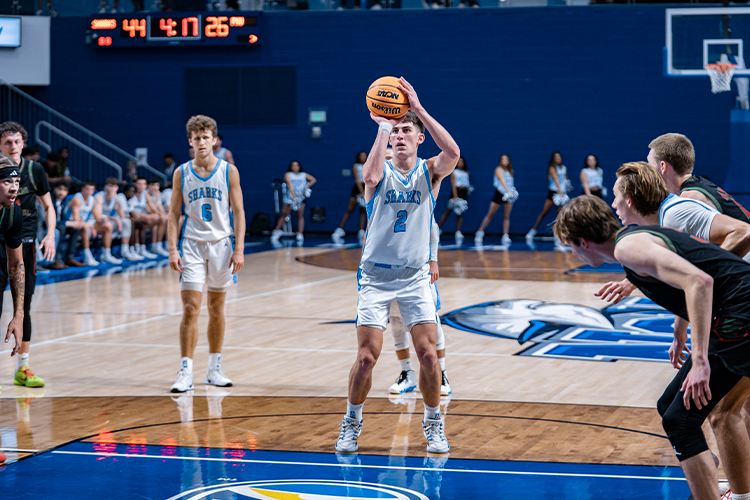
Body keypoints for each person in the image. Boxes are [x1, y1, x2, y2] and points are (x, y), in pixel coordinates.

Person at [554, 194, 750, 500]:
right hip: (733, 313)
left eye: (570, 247)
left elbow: (699, 282)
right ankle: (707, 479)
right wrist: (680, 331)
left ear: (584, 241)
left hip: (740, 314)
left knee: (682, 419)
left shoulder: (628, 247)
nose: (573, 254)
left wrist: (699, 360)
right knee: (670, 407)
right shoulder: (632, 243)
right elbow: (697, 265)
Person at [335, 77, 459, 455]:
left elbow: (453, 152)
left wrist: (418, 110)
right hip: (375, 277)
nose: (400, 136)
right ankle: (352, 421)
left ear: (419, 138)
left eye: (407, 131)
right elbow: (369, 177)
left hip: (414, 276)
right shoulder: (381, 170)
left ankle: (434, 423)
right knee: (367, 356)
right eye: (397, 131)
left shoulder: (430, 171)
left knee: (427, 354)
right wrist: (383, 128)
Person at [168, 114, 245, 393]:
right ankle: (185, 370)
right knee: (190, 308)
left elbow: (238, 211)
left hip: (222, 245)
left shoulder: (228, 171)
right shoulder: (181, 172)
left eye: (205, 137)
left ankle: (214, 368)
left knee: (216, 309)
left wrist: (239, 248)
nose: (201, 142)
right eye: (196, 138)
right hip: (191, 245)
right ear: (190, 141)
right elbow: (172, 214)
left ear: (215, 140)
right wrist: (172, 248)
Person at [0, 122, 58, 388]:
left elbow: (48, 205)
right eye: (7, 142)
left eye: (17, 142)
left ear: (24, 143)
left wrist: (50, 234)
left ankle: (22, 368)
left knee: (24, 307)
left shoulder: (34, 171)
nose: (13, 147)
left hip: (23, 243)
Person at [388, 218, 451, 397]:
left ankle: (442, 373)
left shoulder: (419, 195)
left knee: (432, 320)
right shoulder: (382, 198)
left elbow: (432, 227)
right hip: (390, 269)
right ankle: (407, 373)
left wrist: (433, 260)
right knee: (396, 321)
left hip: (419, 269)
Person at [65, 180, 123, 266]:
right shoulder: (77, 199)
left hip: (84, 223)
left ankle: (106, 254)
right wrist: (91, 227)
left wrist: (106, 218)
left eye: (92, 189)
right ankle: (87, 256)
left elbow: (97, 217)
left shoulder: (91, 199)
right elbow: (76, 219)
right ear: (82, 189)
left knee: (108, 226)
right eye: (87, 189)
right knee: (85, 227)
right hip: (71, 224)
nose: (90, 192)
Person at [525, 151, 571, 251]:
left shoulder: (564, 168)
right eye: (556, 157)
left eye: (559, 156)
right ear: (553, 159)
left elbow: (566, 180)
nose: (558, 158)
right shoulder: (552, 168)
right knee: (544, 213)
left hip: (562, 193)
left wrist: (566, 189)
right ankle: (532, 231)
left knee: (560, 215)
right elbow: (556, 180)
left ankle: (558, 236)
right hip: (554, 192)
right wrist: (560, 192)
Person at [474, 154, 517, 246]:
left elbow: (511, 183)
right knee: (490, 214)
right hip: (500, 193)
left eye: (506, 159)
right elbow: (502, 180)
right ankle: (480, 232)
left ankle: (505, 235)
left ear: (509, 161)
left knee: (506, 216)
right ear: (500, 161)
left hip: (508, 195)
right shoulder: (498, 169)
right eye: (503, 159)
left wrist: (511, 193)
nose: (504, 161)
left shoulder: (511, 171)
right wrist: (508, 191)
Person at [95, 178, 141, 261]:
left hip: (109, 221)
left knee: (126, 221)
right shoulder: (99, 196)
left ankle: (125, 250)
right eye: (111, 186)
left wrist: (117, 201)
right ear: (106, 187)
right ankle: (106, 254)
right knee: (110, 225)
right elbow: (99, 215)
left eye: (115, 186)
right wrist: (115, 219)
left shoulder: (117, 197)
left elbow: (122, 216)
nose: (113, 188)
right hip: (97, 221)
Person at [270, 161, 316, 243]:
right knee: (284, 214)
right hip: (290, 198)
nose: (295, 167)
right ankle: (277, 231)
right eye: (293, 165)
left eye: (297, 165)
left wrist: (306, 186)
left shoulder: (303, 175)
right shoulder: (288, 174)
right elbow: (290, 184)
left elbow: (313, 179)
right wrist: (293, 195)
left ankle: (300, 233)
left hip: (301, 198)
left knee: (300, 215)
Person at [332, 151, 368, 245]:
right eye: (361, 156)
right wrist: (361, 192)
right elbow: (357, 179)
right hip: (357, 188)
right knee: (350, 209)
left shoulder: (368, 165)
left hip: (366, 187)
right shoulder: (356, 166)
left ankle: (361, 230)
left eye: (365, 156)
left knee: (363, 210)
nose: (363, 157)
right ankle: (340, 229)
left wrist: (366, 191)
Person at [51, 181, 86, 268]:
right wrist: (68, 223)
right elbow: (49, 220)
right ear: (55, 189)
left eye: (65, 190)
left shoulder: (63, 201)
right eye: (60, 189)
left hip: (59, 225)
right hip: (47, 228)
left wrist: (74, 223)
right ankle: (55, 259)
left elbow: (63, 218)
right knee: (62, 228)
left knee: (75, 228)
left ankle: (70, 258)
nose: (61, 192)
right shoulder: (50, 199)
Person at [437, 156, 470, 245]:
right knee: (447, 211)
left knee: (460, 213)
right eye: (458, 161)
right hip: (456, 193)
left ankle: (458, 232)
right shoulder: (454, 172)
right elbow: (454, 186)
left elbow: (467, 184)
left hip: (463, 194)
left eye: (462, 161)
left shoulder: (466, 173)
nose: (460, 163)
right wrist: (455, 197)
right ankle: (438, 229)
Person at [128, 177, 161, 259]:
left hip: (139, 219)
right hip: (129, 219)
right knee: (137, 223)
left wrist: (156, 200)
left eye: (143, 184)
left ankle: (152, 247)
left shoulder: (144, 195)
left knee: (157, 220)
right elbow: (132, 213)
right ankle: (134, 250)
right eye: (139, 184)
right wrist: (148, 216)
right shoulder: (131, 194)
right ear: (135, 185)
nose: (141, 186)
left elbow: (152, 210)